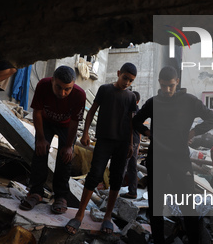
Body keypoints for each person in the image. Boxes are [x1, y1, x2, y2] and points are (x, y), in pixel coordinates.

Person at [133, 66, 213, 244]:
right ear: (159, 83)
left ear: (177, 82)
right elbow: (135, 121)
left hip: (180, 159)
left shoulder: (189, 101)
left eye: (170, 86)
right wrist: (148, 133)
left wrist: (194, 131)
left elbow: (212, 119)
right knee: (156, 206)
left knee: (189, 204)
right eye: (163, 86)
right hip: (157, 159)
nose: (167, 90)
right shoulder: (154, 102)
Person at [66, 63, 138, 234]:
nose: (127, 82)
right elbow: (91, 111)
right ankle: (79, 214)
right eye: (125, 78)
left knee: (116, 179)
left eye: (131, 80)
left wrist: (130, 144)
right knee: (94, 175)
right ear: (119, 73)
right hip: (104, 141)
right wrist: (85, 133)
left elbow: (131, 122)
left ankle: (107, 217)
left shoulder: (130, 97)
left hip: (122, 144)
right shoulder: (105, 89)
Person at [19, 66, 85, 214]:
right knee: (40, 152)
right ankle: (35, 192)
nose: (62, 93)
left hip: (66, 126)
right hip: (46, 122)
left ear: (73, 84)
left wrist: (69, 146)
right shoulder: (43, 85)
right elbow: (37, 113)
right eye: (58, 87)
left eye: (67, 89)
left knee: (65, 158)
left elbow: (75, 122)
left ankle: (61, 196)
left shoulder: (79, 95)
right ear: (52, 81)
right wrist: (41, 139)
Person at [120, 91, 141, 199]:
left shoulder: (131, 111)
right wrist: (137, 145)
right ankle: (132, 191)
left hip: (130, 141)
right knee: (132, 167)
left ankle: (115, 190)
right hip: (134, 141)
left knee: (123, 165)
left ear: (136, 101)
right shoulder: (138, 112)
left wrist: (133, 144)